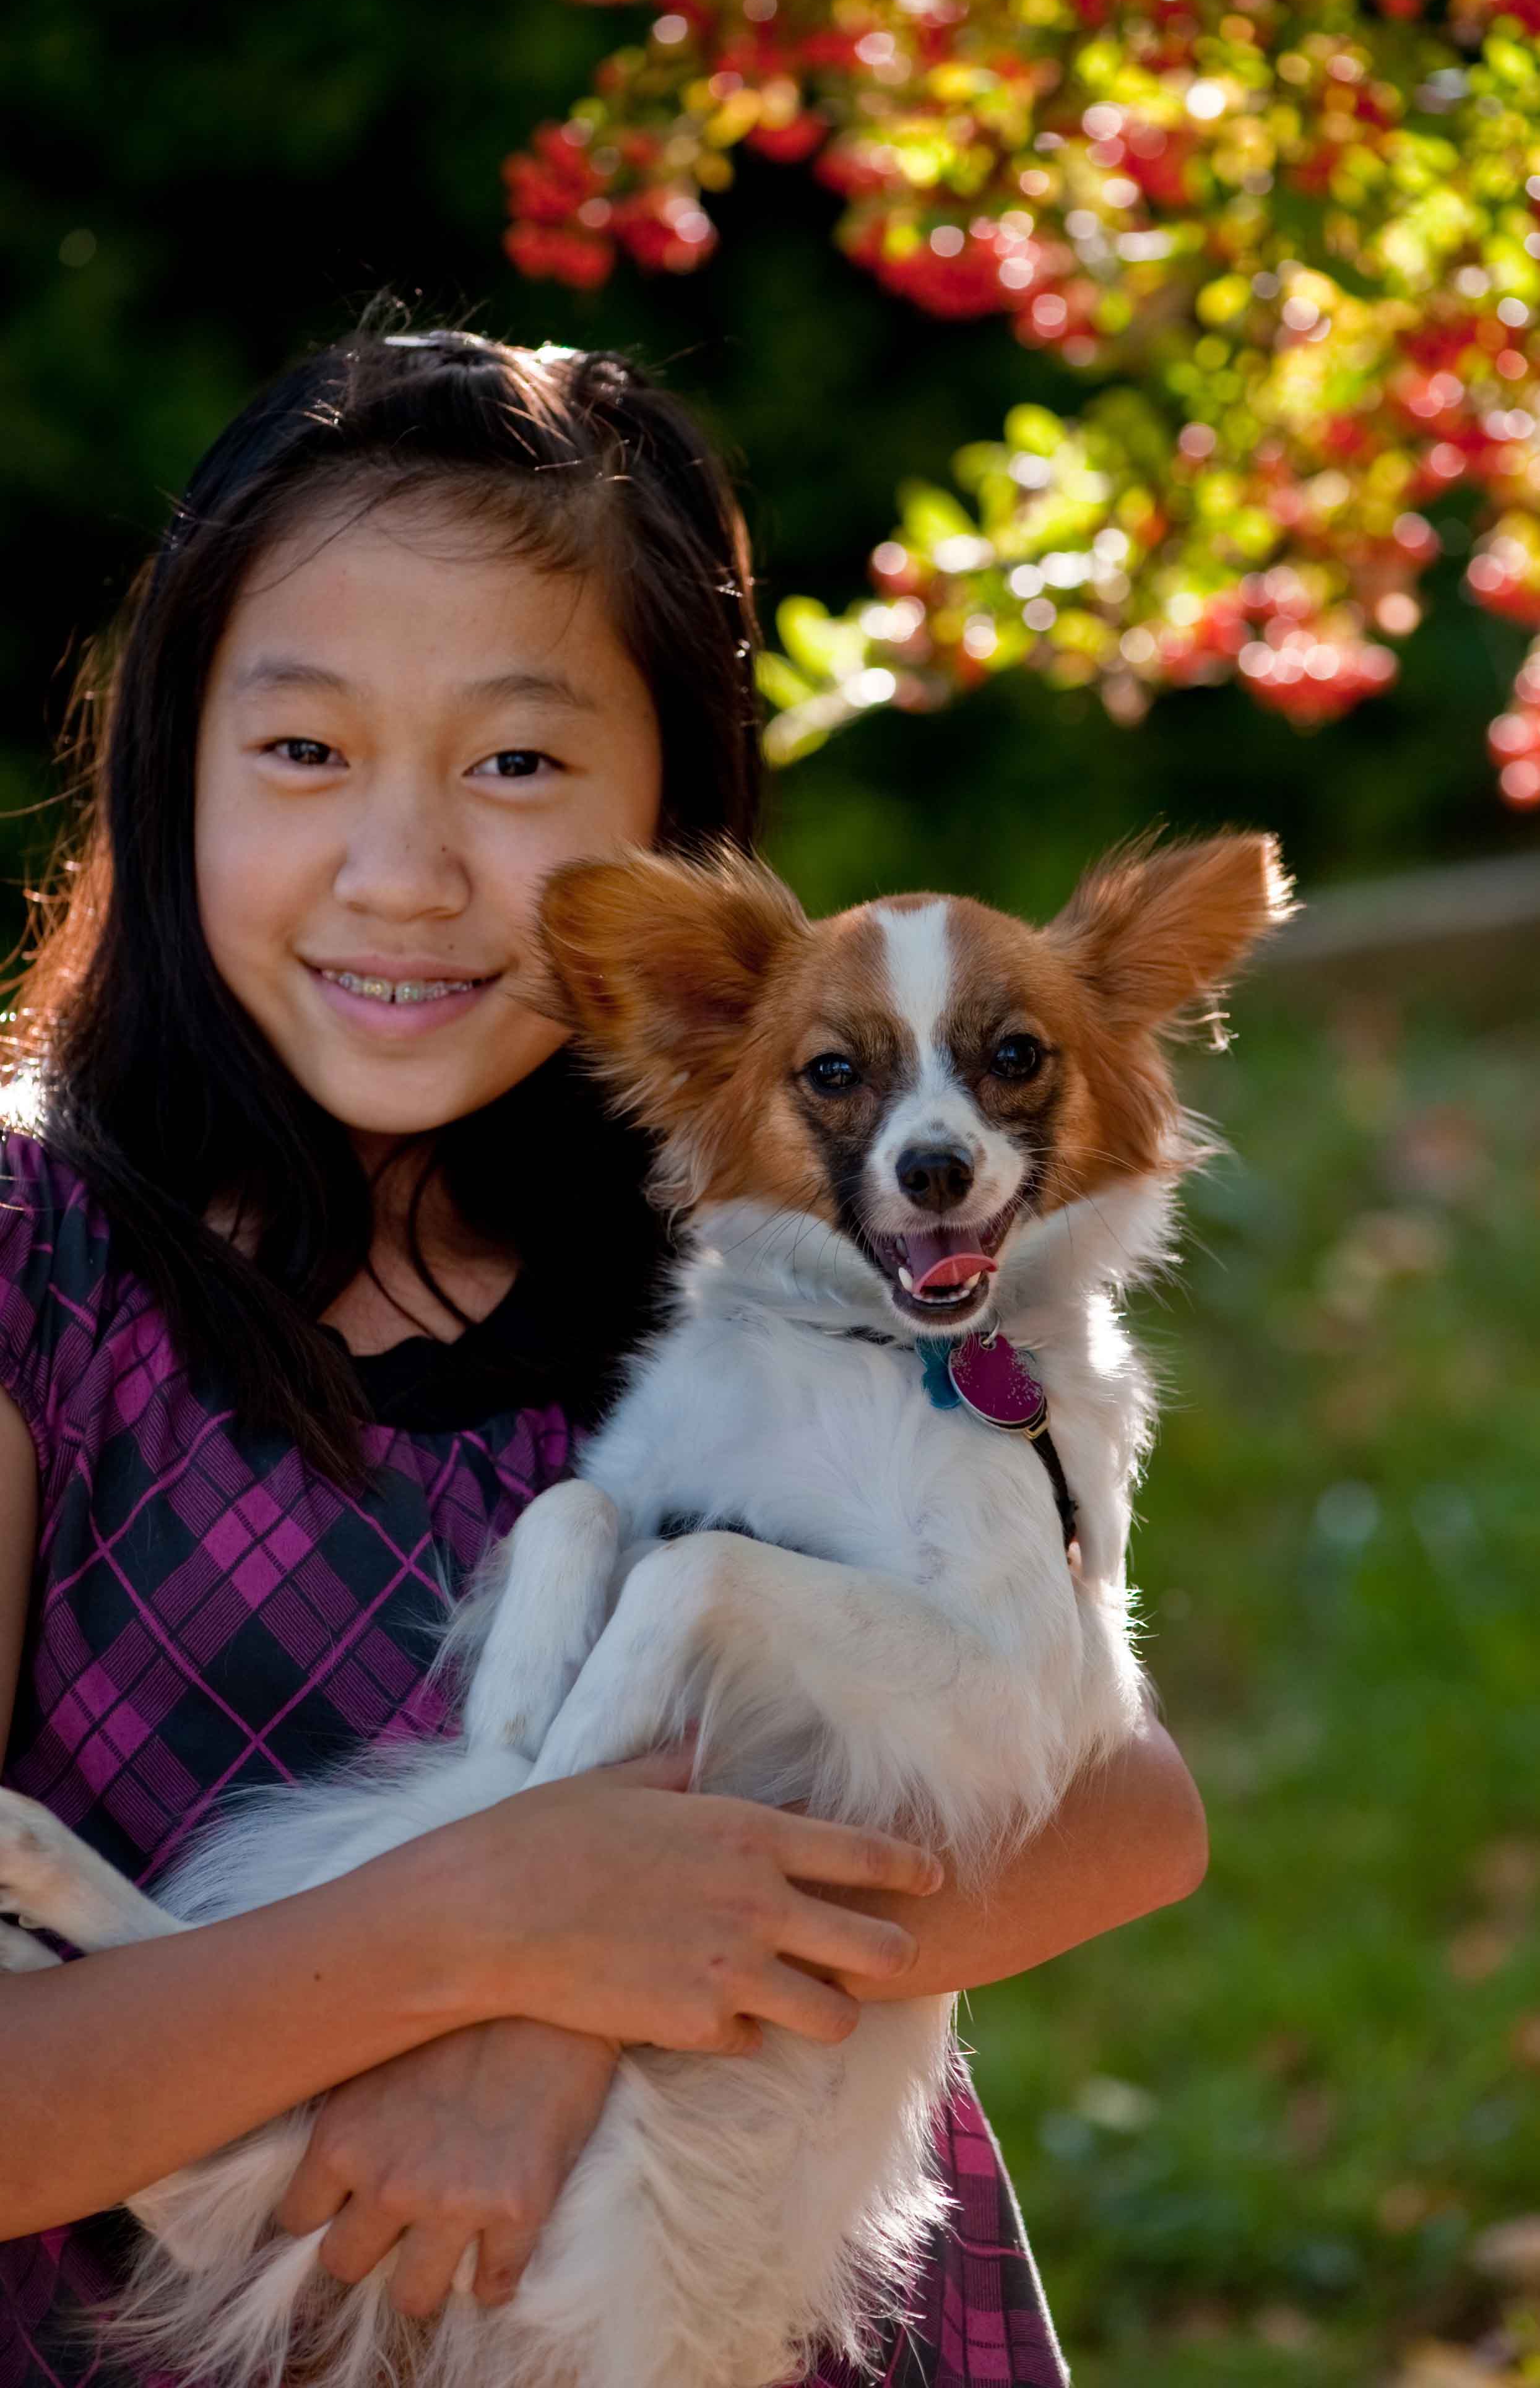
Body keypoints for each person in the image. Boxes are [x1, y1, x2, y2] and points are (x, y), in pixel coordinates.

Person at [0, 325, 1208, 2388]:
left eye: (519, 765)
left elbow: (1117, 1813)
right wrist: (488, 1945)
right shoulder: (41, 1270)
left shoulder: (760, 1276)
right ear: (168, 768)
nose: (406, 871)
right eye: (302, 754)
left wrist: (568, 2030)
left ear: (679, 841)